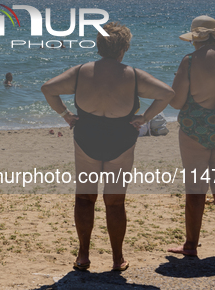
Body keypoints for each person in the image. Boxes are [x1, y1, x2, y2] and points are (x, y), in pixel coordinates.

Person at [41, 22, 174, 271]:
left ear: (98, 45)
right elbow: (167, 93)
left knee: (84, 199)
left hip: (87, 138)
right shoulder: (133, 75)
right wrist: (144, 118)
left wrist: (66, 115)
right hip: (120, 140)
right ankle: (117, 259)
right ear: (124, 48)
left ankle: (83, 256)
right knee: (114, 202)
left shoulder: (81, 72)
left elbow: (48, 89)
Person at [168, 15, 215, 257]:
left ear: (195, 38)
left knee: (195, 189)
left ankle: (191, 245)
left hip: (196, 129)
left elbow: (177, 102)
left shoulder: (189, 61)